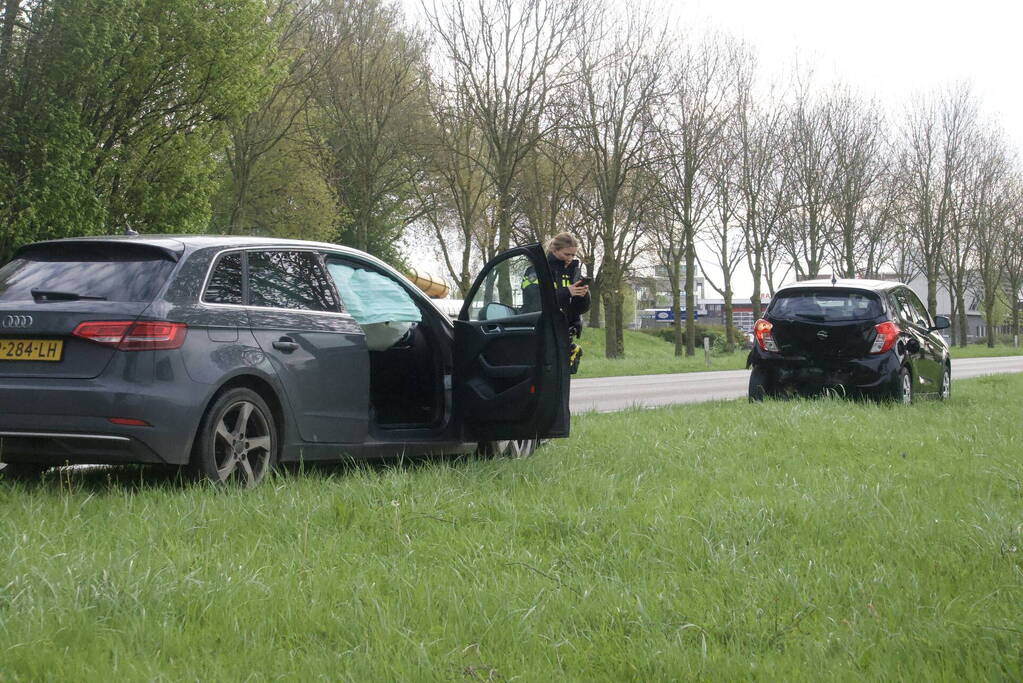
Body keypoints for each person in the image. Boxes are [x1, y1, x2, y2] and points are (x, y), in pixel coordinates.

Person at [521, 232, 591, 436]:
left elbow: (580, 307)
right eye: (566, 254)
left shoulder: (573, 272)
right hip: (541, 333)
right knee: (542, 383)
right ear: (554, 250)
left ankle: (553, 428)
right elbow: (535, 301)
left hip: (563, 334)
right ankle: (536, 427)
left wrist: (582, 296)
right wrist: (567, 292)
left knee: (559, 387)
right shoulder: (536, 271)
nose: (569, 258)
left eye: (573, 255)